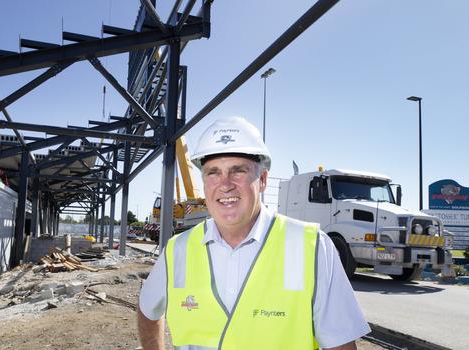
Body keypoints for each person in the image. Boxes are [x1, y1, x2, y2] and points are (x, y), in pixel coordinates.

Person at [137, 117, 370, 349]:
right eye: (213, 173)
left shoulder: (311, 246)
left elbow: (341, 345)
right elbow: (148, 311)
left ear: (263, 180)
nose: (225, 184)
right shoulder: (178, 249)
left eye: (238, 171)